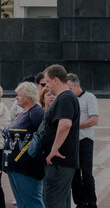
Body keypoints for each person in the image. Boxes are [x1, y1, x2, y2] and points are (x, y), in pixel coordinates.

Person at [40, 64, 80, 208]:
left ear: (56, 79)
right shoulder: (66, 97)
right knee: (61, 202)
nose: (46, 85)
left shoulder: (65, 98)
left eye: (47, 82)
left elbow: (65, 125)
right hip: (61, 162)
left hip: (59, 162)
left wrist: (54, 150)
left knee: (52, 201)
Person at [2, 82, 44, 208]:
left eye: (19, 95)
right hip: (15, 166)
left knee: (32, 202)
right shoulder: (22, 112)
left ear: (28, 96)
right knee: (22, 202)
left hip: (27, 167)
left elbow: (45, 136)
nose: (16, 98)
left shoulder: (36, 112)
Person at [67, 74, 99, 208]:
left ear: (77, 85)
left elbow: (94, 120)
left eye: (69, 88)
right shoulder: (67, 99)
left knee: (86, 174)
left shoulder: (89, 97)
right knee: (74, 174)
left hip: (85, 140)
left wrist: (74, 126)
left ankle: (92, 203)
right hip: (71, 141)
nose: (68, 91)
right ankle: (80, 202)